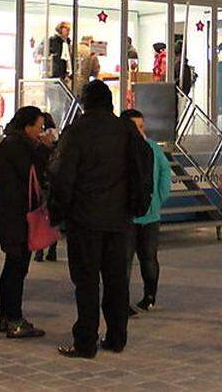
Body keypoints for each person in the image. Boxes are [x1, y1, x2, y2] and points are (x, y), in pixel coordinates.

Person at [51, 80, 153, 358]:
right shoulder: (126, 130)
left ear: (85, 102)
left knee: (86, 282)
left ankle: (85, 341)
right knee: (116, 280)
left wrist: (58, 210)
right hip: (120, 219)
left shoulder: (77, 131)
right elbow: (144, 164)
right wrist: (138, 205)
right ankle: (117, 337)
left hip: (85, 219)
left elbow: (62, 175)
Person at [0, 106, 50, 339]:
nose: (41, 131)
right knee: (16, 269)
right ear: (27, 127)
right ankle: (14, 319)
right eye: (39, 127)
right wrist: (45, 149)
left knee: (13, 267)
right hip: (18, 216)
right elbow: (33, 171)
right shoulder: (18, 147)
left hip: (12, 214)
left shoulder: (10, 144)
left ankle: (6, 316)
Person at [121, 109, 171, 314]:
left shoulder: (119, 150)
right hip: (149, 214)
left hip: (130, 215)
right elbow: (165, 174)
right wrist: (158, 200)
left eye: (141, 126)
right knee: (147, 258)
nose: (140, 131)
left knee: (126, 260)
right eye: (136, 127)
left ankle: (126, 300)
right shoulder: (153, 148)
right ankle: (149, 297)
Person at [34, 112, 59, 263]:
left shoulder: (39, 146)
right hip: (53, 184)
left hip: (42, 184)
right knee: (52, 217)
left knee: (41, 217)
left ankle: (39, 250)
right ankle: (52, 249)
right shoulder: (57, 143)